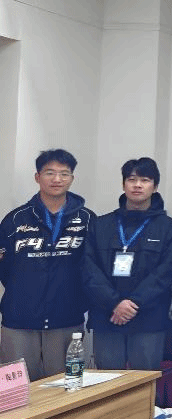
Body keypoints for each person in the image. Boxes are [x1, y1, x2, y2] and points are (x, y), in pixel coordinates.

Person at [0, 149, 94, 381]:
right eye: (49, 173)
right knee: (18, 390)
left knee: (66, 387)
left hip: (67, 319)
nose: (57, 179)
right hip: (19, 320)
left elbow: (92, 268)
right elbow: (5, 268)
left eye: (64, 173)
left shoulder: (88, 220)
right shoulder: (15, 220)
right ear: (37, 177)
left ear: (72, 178)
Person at [83, 157, 172, 372]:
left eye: (145, 180)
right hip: (107, 316)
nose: (137, 185)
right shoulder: (101, 224)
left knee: (143, 383)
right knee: (108, 382)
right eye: (132, 179)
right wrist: (115, 303)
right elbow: (89, 269)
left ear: (155, 186)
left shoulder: (167, 227)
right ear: (123, 184)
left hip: (148, 319)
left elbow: (167, 271)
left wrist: (133, 303)